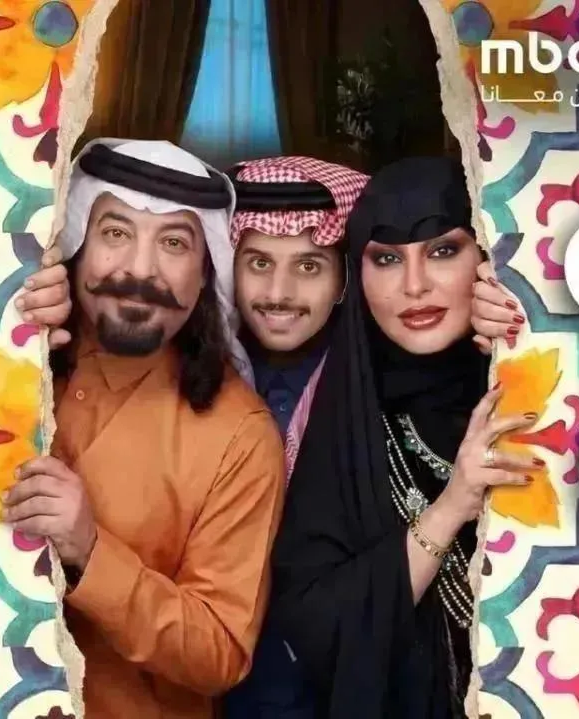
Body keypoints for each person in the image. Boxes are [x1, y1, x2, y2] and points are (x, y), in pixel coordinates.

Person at [0, 139, 287, 719]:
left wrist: (91, 550)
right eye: (115, 233)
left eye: (174, 243)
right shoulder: (5, 360)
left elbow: (221, 653)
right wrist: (8, 323)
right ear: (77, 247)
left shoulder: (241, 436)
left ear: (205, 276)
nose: (139, 269)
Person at [269, 157, 537, 718]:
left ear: (485, 259)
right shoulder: (353, 417)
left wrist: (533, 327)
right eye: (387, 258)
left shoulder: (543, 381)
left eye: (443, 251)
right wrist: (451, 507)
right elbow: (314, 625)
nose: (415, 285)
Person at [219, 156, 367, 718]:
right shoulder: (193, 371)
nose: (278, 293)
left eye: (308, 266)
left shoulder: (376, 378)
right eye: (258, 262)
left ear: (344, 278)